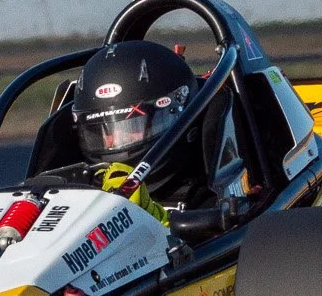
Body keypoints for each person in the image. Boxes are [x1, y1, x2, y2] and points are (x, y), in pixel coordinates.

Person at [67, 41, 246, 227]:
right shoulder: (80, 192)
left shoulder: (207, 197)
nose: (115, 141)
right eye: (103, 133)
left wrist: (156, 219)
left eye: (131, 127)